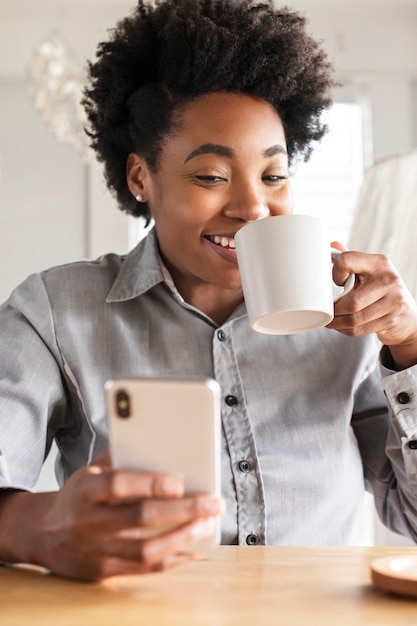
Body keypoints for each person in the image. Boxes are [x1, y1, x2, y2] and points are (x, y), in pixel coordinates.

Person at [1, 0, 417, 582]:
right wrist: (39, 526)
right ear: (141, 177)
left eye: (274, 176)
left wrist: (410, 349)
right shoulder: (54, 312)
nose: (252, 207)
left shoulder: (350, 322)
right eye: (211, 177)